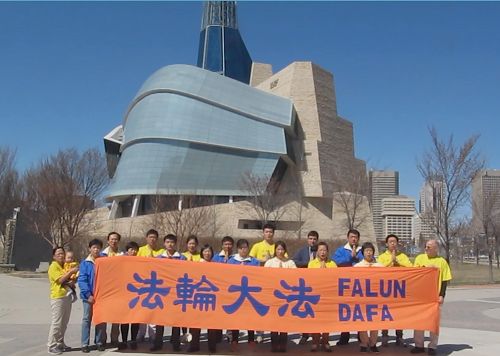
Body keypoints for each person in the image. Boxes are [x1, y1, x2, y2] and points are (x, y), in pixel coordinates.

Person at [411, 239, 452, 356]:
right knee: (419, 322)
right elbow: (414, 275)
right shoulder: (419, 258)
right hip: (421, 296)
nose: (426, 249)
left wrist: (442, 295)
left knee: (433, 323)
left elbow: (444, 280)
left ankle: (432, 346)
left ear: (436, 248)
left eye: (429, 247)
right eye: (426, 247)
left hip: (434, 297)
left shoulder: (442, 262)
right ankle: (419, 345)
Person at [152, 234, 187, 352]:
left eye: (172, 242)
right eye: (167, 242)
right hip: (161, 293)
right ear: (164, 244)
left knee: (175, 320)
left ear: (175, 243)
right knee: (159, 319)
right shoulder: (158, 258)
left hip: (176, 293)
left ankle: (176, 344)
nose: (170, 244)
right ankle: (158, 343)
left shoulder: (182, 258)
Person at [377, 234, 412, 346]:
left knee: (399, 313)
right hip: (385, 290)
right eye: (390, 242)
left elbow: (411, 267)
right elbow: (378, 270)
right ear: (386, 244)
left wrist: (398, 262)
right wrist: (390, 262)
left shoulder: (403, 256)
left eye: (394, 242)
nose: (392, 243)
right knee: (385, 314)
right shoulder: (382, 257)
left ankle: (399, 336)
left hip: (399, 290)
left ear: (397, 243)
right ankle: (385, 336)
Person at [332, 229, 363, 345]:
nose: (353, 239)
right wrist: (350, 257)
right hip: (345, 285)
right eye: (351, 237)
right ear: (348, 238)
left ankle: (361, 336)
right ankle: (344, 336)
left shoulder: (362, 250)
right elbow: (336, 261)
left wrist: (357, 258)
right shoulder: (341, 250)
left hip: (360, 285)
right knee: (346, 311)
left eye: (355, 237)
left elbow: (370, 261)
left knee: (360, 311)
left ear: (358, 239)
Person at [228, 239, 260, 351]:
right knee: (235, 317)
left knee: (250, 317)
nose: (244, 250)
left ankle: (251, 338)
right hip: (236, 293)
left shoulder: (254, 261)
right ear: (238, 249)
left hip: (250, 293)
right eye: (241, 248)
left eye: (246, 247)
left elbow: (257, 276)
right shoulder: (232, 261)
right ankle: (235, 339)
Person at [265, 241, 296, 352]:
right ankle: (274, 344)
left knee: (284, 321)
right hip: (273, 296)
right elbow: (264, 277)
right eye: (278, 249)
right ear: (275, 250)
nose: (280, 251)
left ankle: (283, 344)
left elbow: (295, 277)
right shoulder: (269, 262)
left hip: (286, 296)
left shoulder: (290, 263)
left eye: (282, 249)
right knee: (274, 321)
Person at [47, 246, 79, 355]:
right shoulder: (53, 266)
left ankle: (60, 343)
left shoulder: (64, 266)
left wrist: (73, 278)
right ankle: (51, 345)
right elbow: (60, 280)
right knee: (57, 322)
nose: (61, 255)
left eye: (62, 253)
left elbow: (69, 280)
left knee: (64, 322)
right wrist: (70, 273)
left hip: (66, 296)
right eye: (58, 254)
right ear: (54, 256)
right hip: (58, 297)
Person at [136, 229, 165, 344]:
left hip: (156, 285)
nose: (152, 239)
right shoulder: (141, 250)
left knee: (153, 312)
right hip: (143, 284)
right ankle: (141, 334)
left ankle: (153, 336)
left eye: (154, 237)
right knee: (143, 311)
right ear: (146, 238)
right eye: (150, 237)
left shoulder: (161, 251)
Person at [78, 239, 106, 353]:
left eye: (98, 247)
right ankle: (85, 343)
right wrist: (88, 294)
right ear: (90, 249)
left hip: (101, 297)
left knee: (101, 320)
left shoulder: (104, 261)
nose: (96, 249)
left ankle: (99, 342)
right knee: (86, 319)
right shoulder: (85, 263)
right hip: (88, 297)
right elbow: (82, 280)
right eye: (94, 247)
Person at [354, 242, 383, 353]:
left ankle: (373, 343)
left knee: (375, 322)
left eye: (371, 250)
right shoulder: (357, 267)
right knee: (362, 322)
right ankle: (364, 343)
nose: (369, 253)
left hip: (376, 299)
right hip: (362, 299)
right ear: (363, 253)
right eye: (367, 251)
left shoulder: (379, 266)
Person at [189, 244, 218, 353]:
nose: (207, 253)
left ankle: (212, 346)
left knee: (211, 323)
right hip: (198, 297)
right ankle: (194, 345)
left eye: (209, 251)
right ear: (202, 253)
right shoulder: (197, 264)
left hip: (211, 297)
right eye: (205, 251)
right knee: (196, 323)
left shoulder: (216, 265)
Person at [308, 242, 336, 352]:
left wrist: (327, 272)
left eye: (325, 250)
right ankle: (315, 341)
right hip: (315, 296)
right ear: (317, 252)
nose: (323, 252)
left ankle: (325, 341)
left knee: (326, 320)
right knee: (315, 320)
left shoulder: (332, 264)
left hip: (328, 296)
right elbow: (309, 279)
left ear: (327, 252)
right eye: (320, 250)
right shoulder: (312, 264)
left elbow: (336, 279)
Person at [293, 230, 319, 345]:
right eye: (310, 238)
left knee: (316, 311)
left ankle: (316, 335)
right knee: (304, 309)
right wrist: (307, 264)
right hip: (305, 284)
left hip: (317, 285)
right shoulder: (302, 251)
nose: (312, 241)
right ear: (307, 239)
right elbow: (294, 261)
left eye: (314, 239)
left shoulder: (320, 250)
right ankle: (304, 334)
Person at [100, 232, 123, 347]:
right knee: (103, 316)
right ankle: (102, 340)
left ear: (119, 241)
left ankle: (115, 339)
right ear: (108, 241)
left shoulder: (122, 255)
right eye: (112, 239)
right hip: (104, 290)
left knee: (117, 316)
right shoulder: (101, 255)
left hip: (118, 290)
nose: (114, 241)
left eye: (116, 239)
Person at [119, 241, 140, 350]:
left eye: (135, 249)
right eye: (131, 249)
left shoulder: (140, 262)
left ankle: (133, 340)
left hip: (136, 294)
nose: (133, 251)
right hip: (124, 294)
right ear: (127, 251)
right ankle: (123, 340)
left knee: (135, 318)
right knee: (124, 319)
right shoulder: (121, 261)